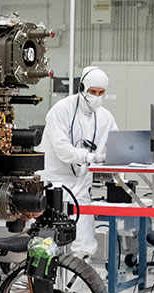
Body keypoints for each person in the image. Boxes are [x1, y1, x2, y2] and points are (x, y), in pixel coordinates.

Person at [39, 66, 116, 259]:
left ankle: (78, 276)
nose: (96, 97)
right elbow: (61, 148)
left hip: (81, 184)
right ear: (81, 87)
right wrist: (88, 156)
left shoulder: (105, 117)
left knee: (83, 240)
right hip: (54, 182)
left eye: (101, 93)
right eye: (92, 91)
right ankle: (50, 275)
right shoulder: (61, 110)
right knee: (50, 239)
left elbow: (117, 143)